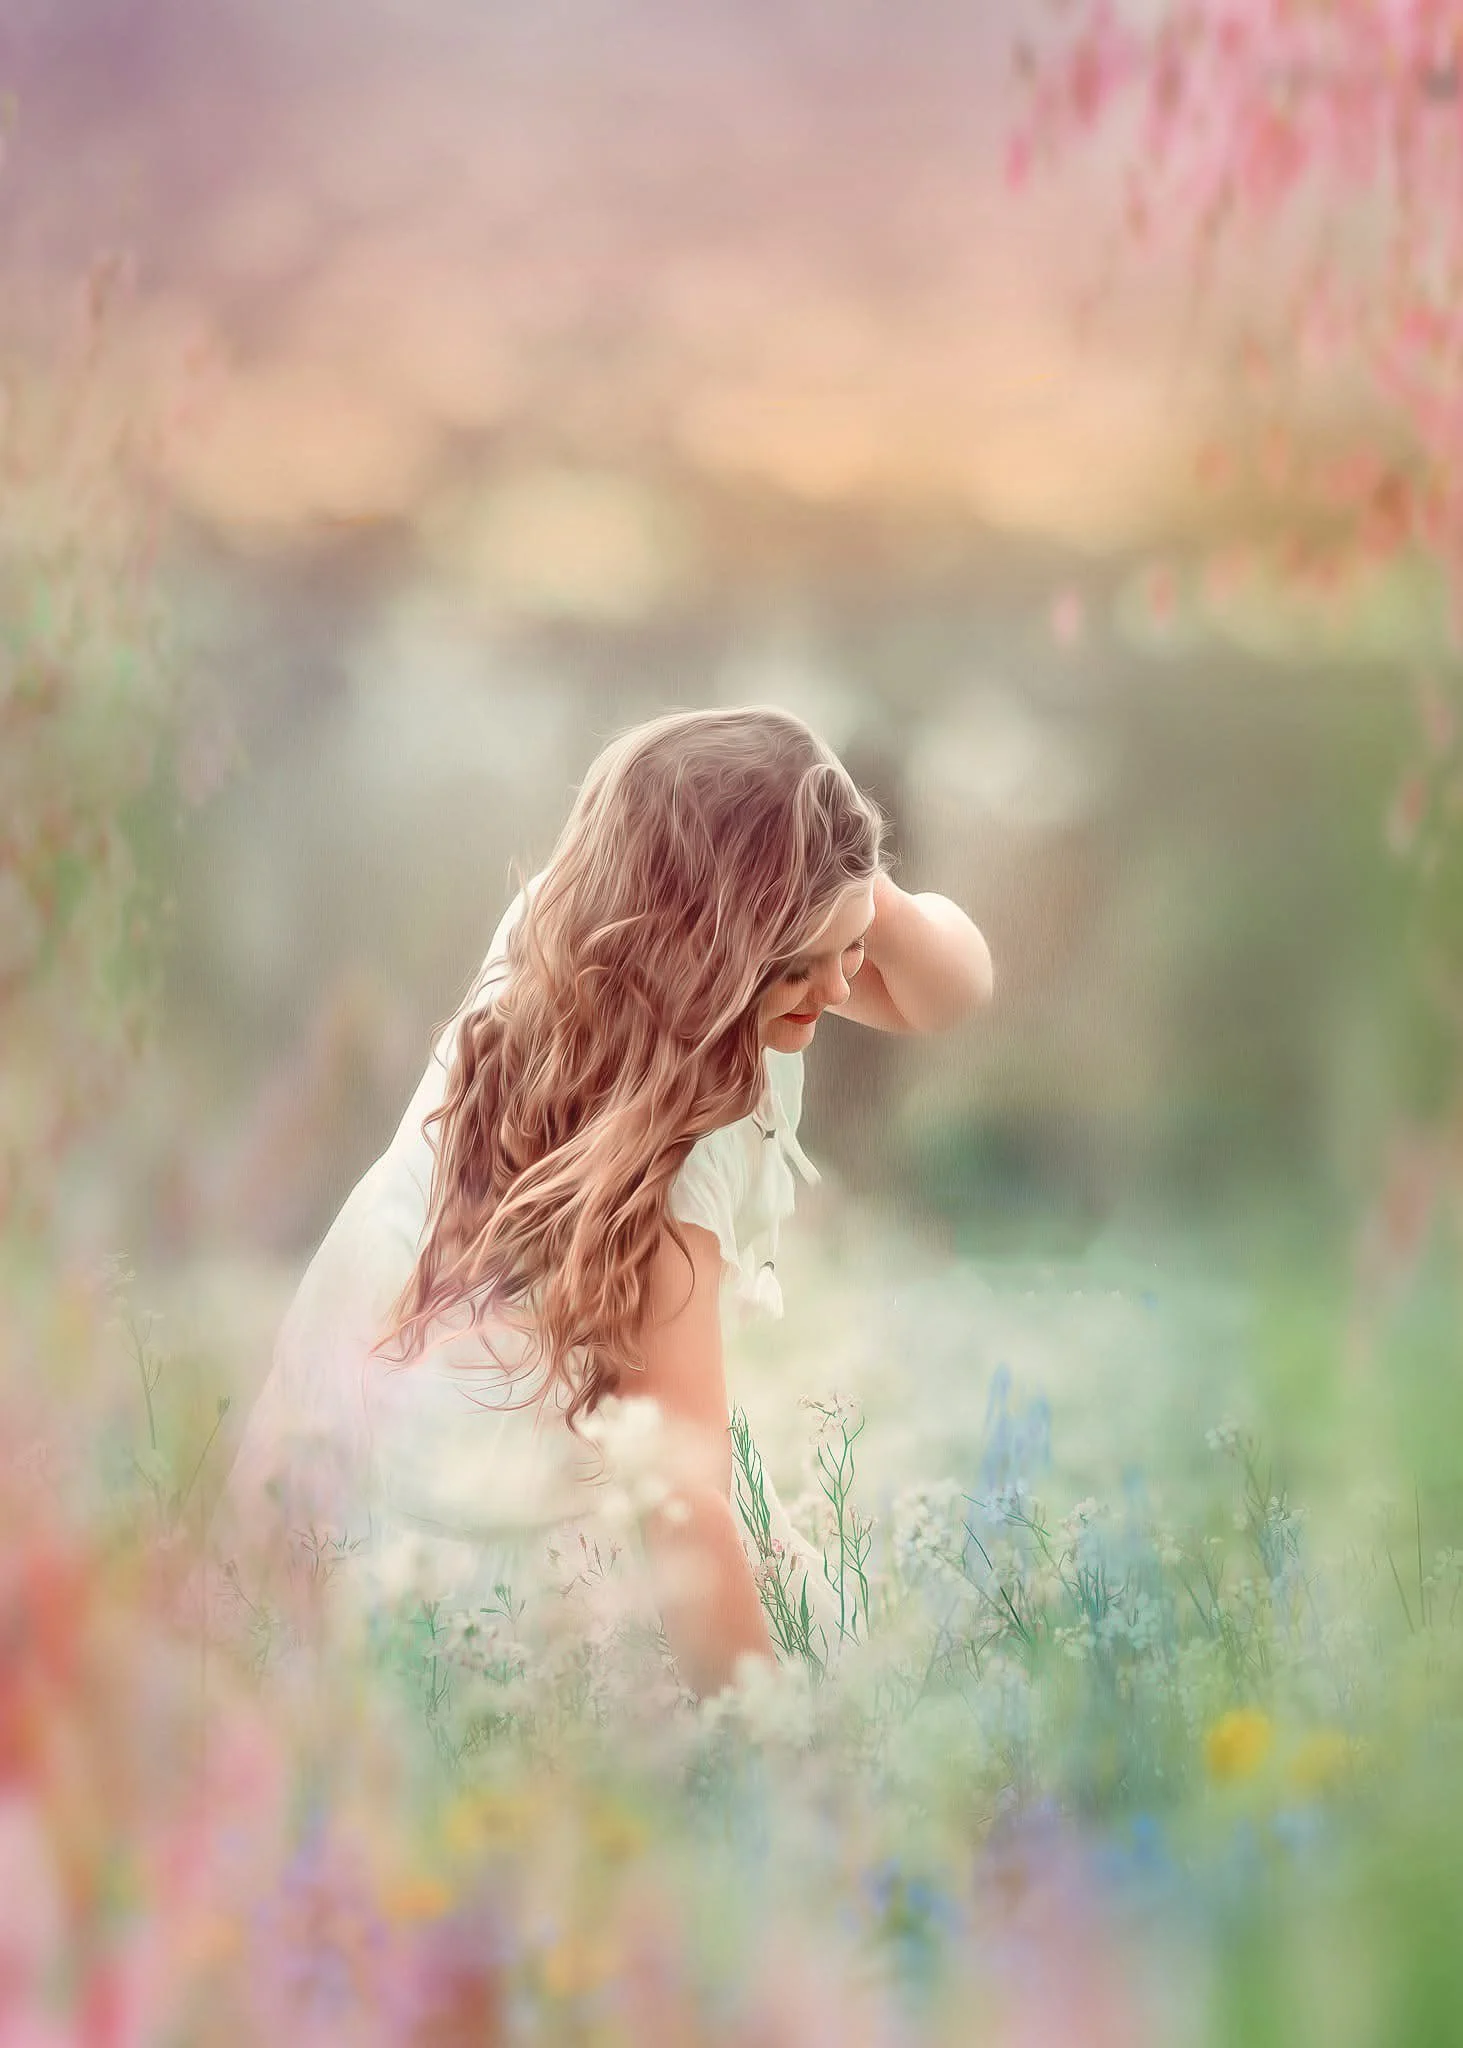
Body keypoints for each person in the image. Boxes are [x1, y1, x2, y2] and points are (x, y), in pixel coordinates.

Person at [211, 706, 993, 1702]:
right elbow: (681, 1491)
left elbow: (946, 988)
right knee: (733, 1656)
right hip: (463, 1458)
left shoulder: (597, 919)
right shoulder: (685, 1129)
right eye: (803, 966)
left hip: (379, 1338)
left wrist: (848, 883)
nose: (843, 987)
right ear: (718, 957)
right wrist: (771, 1735)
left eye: (849, 947)